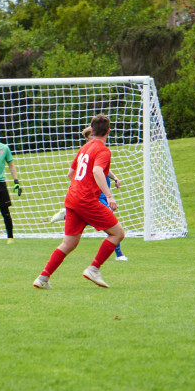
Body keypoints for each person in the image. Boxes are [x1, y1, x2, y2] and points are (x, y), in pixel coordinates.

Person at [33, 114, 125, 289]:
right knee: (118, 233)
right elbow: (98, 172)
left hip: (72, 198)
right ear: (108, 131)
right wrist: (110, 196)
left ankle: (43, 278)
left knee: (69, 243)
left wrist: (80, 187)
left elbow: (70, 173)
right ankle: (94, 269)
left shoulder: (84, 148)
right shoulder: (103, 150)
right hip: (86, 200)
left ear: (92, 130)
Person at [49, 126, 128, 261]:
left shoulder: (88, 151)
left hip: (93, 193)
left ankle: (44, 276)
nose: (94, 139)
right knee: (114, 227)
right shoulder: (93, 150)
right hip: (94, 194)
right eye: (91, 137)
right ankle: (114, 257)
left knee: (106, 223)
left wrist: (114, 177)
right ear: (88, 137)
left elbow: (100, 169)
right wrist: (90, 189)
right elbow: (94, 171)